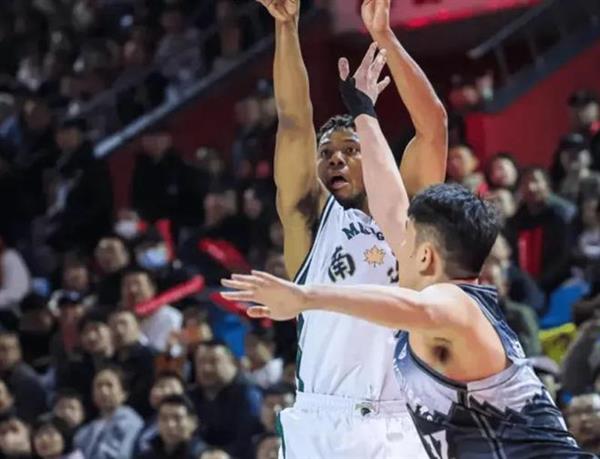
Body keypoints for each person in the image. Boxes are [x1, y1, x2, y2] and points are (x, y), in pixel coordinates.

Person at [222, 54, 591, 457]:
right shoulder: (438, 283)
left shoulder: (453, 304)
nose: (396, 240)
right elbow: (398, 189)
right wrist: (364, 103)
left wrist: (306, 297)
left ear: (427, 255)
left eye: (406, 238)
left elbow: (407, 306)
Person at [252, 0, 447, 457]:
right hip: (323, 420)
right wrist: (286, 27)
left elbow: (434, 128)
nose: (336, 158)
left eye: (350, 149)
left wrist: (386, 39)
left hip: (402, 416)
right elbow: (293, 119)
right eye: (326, 153)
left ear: (373, 152)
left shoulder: (408, 213)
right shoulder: (310, 218)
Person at [507, 167, 577, 294]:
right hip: (524, 285)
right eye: (525, 183)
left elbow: (563, 257)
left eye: (535, 181)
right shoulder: (516, 220)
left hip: (558, 284)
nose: (531, 187)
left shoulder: (561, 217)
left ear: (547, 185)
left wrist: (539, 282)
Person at [188, 340, 261, 459]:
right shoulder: (191, 395)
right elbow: (187, 435)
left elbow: (248, 436)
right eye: (201, 362)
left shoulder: (249, 394)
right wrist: (202, 452)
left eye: (214, 361)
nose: (206, 368)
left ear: (233, 363)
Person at [74, 366, 143, 459]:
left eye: (109, 385)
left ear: (123, 393)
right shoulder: (86, 430)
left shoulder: (131, 422)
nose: (103, 391)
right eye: (98, 386)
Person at [108, 309, 156, 417]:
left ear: (137, 326)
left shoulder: (151, 357)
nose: (119, 330)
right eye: (114, 326)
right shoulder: (110, 362)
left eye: (124, 324)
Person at [120, 270, 182, 352]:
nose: (132, 290)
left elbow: (161, 352)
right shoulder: (118, 317)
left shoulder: (169, 316)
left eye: (138, 284)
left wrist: (136, 336)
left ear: (152, 289)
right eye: (127, 285)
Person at [136, 394, 206, 459]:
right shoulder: (147, 456)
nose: (170, 425)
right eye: (164, 418)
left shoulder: (202, 455)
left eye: (177, 418)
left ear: (193, 423)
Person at [0, 331, 47, 423]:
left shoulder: (27, 381)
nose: (0, 355)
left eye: (5, 349)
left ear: (18, 352)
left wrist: (6, 407)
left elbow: (27, 418)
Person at [136, 372, 186, 456]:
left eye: (169, 387)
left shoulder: (182, 424)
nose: (157, 391)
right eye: (157, 386)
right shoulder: (147, 423)